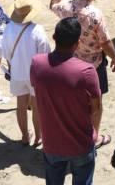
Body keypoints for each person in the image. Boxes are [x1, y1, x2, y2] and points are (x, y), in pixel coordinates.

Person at [51, 0, 115, 148]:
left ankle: (76, 132)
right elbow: (105, 41)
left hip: (71, 61)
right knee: (96, 103)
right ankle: (93, 137)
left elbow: (52, 5)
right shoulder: (95, 13)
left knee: (76, 101)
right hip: (93, 64)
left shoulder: (66, 6)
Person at [30, 17, 101, 185]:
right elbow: (96, 107)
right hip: (81, 144)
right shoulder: (87, 71)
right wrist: (95, 133)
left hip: (52, 143)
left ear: (54, 37)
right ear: (77, 43)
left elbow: (37, 91)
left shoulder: (37, 64)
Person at [1, 0, 50, 146]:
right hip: (35, 74)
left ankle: (24, 136)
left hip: (17, 72)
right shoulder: (37, 30)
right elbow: (45, 54)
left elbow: (6, 53)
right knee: (36, 107)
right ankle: (38, 136)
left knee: (20, 105)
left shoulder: (8, 29)